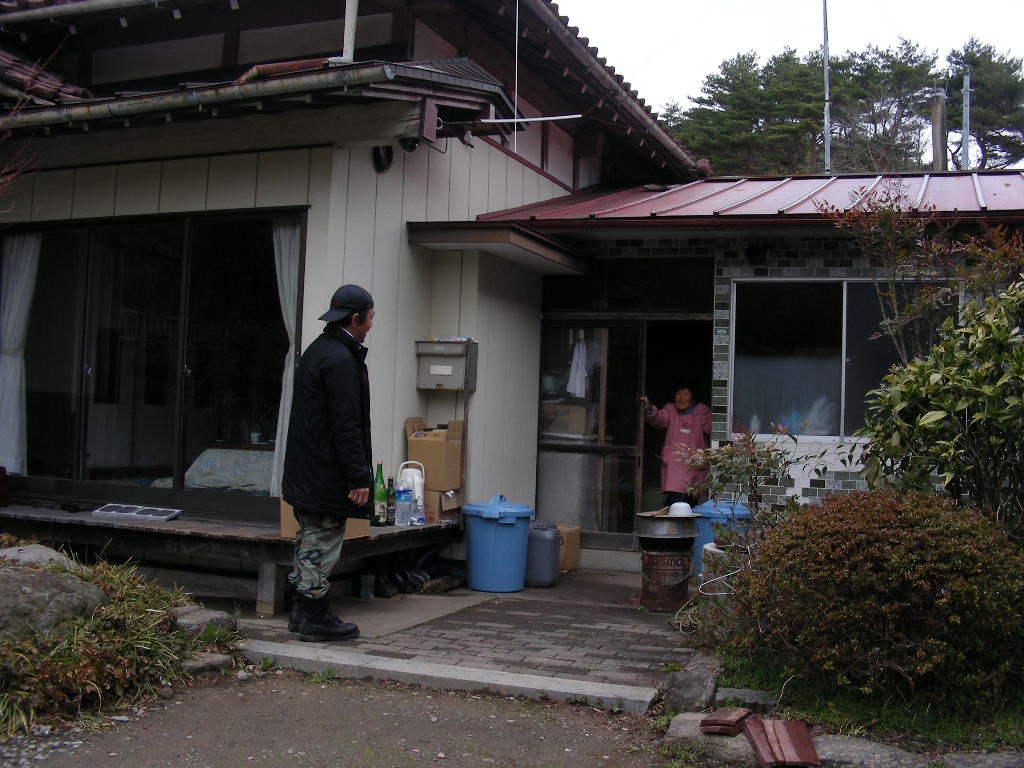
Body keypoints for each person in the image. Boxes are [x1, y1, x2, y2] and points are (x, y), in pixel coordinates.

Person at [282, 284, 375, 642]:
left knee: (308, 538)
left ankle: (300, 612)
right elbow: (346, 426)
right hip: (325, 472)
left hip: (306, 468)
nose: (370, 325)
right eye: (370, 318)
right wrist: (358, 477)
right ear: (355, 318)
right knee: (320, 541)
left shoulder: (318, 351)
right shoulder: (340, 360)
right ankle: (315, 615)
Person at [641, 383, 712, 507]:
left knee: (690, 500)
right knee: (677, 500)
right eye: (678, 394)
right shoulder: (670, 409)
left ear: (694, 398)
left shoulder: (702, 410)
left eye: (686, 394)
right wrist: (649, 408)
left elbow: (713, 426)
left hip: (694, 464)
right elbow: (658, 419)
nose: (681, 397)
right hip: (675, 464)